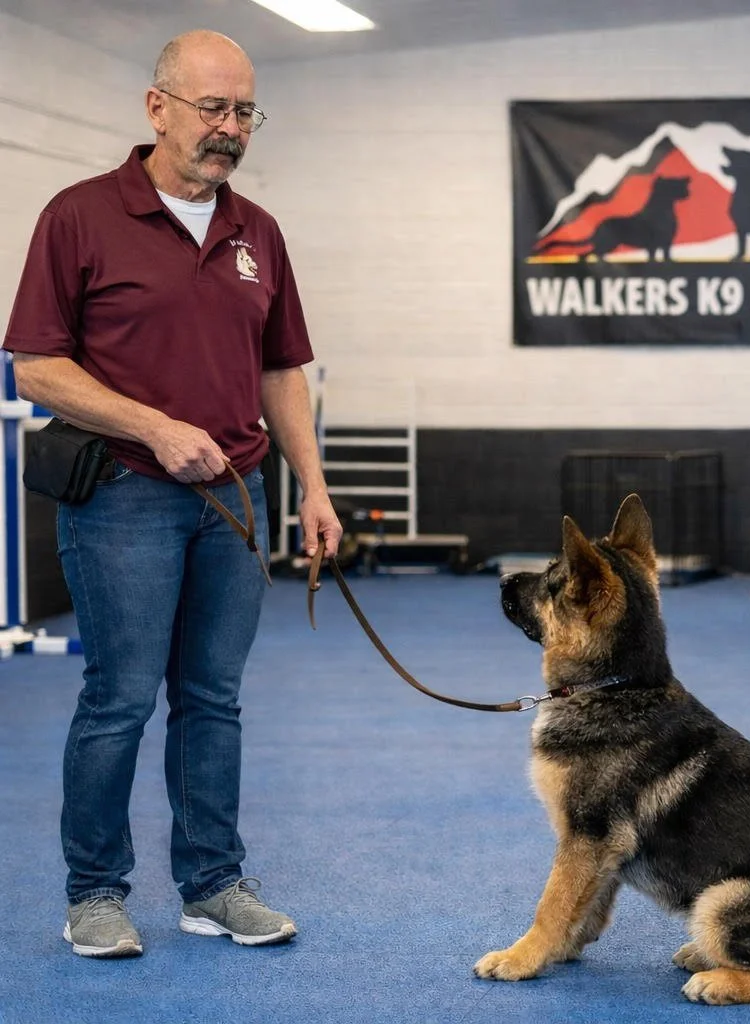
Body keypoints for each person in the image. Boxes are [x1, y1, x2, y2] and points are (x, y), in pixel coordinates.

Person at [2, 29, 343, 957]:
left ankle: (212, 883)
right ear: (158, 107)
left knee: (212, 699)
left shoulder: (256, 232)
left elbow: (282, 370)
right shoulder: (78, 215)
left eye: (243, 112)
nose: (228, 129)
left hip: (236, 501)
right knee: (119, 698)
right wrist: (152, 425)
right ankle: (96, 894)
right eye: (211, 109)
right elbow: (36, 367)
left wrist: (312, 486)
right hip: (123, 495)